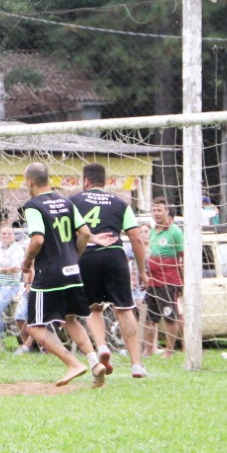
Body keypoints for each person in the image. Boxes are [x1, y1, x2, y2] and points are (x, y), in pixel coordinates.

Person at [20, 162, 100, 387]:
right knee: (70, 318)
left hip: (49, 274)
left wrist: (26, 263)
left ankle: (73, 363)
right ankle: (95, 362)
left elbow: (37, 239)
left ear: (30, 182)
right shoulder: (66, 201)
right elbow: (85, 233)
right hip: (72, 270)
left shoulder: (33, 205)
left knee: (34, 327)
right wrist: (75, 255)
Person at [71, 162, 150, 379]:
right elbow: (135, 237)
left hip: (87, 256)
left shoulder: (75, 201)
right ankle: (136, 364)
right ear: (104, 181)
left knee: (93, 308)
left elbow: (70, 232)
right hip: (114, 255)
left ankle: (102, 346)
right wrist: (142, 270)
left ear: (85, 181)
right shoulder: (120, 203)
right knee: (124, 308)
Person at [143, 198, 184, 357]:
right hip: (153, 282)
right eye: (154, 210)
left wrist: (183, 280)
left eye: (160, 210)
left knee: (169, 316)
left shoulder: (175, 231)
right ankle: (148, 350)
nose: (156, 213)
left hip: (168, 281)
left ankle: (169, 351)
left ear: (167, 212)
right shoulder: (152, 232)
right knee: (149, 318)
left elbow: (183, 256)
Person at [0, 222, 25, 344]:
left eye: (9, 233)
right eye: (4, 233)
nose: (6, 236)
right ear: (0, 236)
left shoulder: (17, 249)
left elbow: (16, 269)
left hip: (10, 285)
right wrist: (4, 269)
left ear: (13, 236)